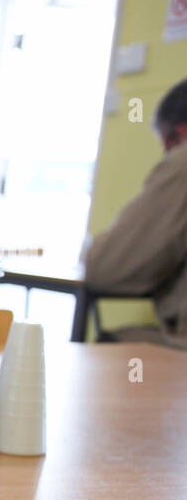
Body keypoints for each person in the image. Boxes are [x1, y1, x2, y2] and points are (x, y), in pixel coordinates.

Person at [84, 78, 187, 348]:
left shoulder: (182, 165)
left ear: (178, 134)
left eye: (167, 147)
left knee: (114, 347)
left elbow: (106, 268)